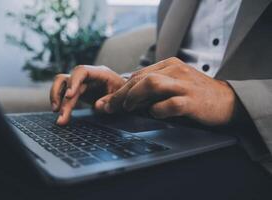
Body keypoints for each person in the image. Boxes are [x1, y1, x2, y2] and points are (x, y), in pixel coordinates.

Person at [50, 0, 272, 172]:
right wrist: (123, 86)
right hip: (162, 139)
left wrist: (231, 99)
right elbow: (153, 64)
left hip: (253, 152)